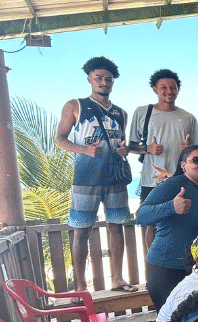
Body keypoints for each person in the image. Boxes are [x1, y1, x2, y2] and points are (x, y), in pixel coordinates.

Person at [55, 56, 135, 294]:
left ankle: (117, 279)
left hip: (115, 178)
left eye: (108, 79)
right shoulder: (75, 105)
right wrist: (84, 150)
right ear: (90, 79)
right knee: (81, 230)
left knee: (116, 226)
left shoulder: (121, 113)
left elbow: (122, 143)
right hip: (85, 179)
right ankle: (80, 286)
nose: (104, 82)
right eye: (99, 78)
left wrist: (124, 149)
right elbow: (59, 139)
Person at [136, 145, 198, 311]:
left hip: (195, 270)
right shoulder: (173, 185)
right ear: (183, 165)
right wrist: (171, 207)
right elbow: (141, 216)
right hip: (167, 269)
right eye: (196, 160)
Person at [129, 69, 198, 250]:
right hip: (151, 179)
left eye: (173, 87)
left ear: (178, 90)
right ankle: (152, 264)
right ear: (155, 89)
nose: (169, 91)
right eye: (163, 87)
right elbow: (130, 146)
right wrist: (148, 149)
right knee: (151, 224)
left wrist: (188, 150)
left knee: (182, 221)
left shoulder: (189, 117)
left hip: (181, 179)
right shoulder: (143, 112)